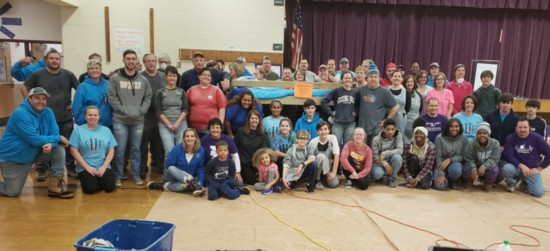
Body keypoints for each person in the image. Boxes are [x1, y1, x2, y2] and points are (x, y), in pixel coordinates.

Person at [0, 87, 73, 198]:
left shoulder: (48, 112)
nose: (41, 101)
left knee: (58, 149)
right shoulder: (20, 114)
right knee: (13, 192)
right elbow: (34, 139)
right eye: (37, 98)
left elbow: (53, 132)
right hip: (13, 158)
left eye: (43, 99)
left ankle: (56, 188)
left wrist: (51, 144)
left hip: (33, 152)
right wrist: (59, 138)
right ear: (29, 99)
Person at [23, 49, 80, 181]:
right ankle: (42, 170)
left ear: (60, 60)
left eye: (57, 58)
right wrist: (30, 103)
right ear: (45, 60)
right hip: (44, 119)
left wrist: (75, 106)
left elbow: (80, 90)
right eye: (51, 58)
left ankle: (70, 167)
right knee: (44, 143)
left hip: (65, 117)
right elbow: (24, 87)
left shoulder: (68, 74)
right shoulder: (37, 74)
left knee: (68, 143)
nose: (54, 61)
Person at [107, 49, 152, 187]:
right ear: (123, 60)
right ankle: (117, 176)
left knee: (136, 149)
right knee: (119, 149)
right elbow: (112, 97)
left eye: (133, 59)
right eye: (128, 58)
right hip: (120, 120)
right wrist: (124, 110)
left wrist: (141, 110)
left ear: (137, 61)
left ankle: (136, 175)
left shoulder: (143, 80)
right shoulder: (115, 78)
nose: (131, 61)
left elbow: (148, 97)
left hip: (138, 121)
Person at [69, 105, 117, 194]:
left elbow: (111, 150)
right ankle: (92, 180)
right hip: (85, 167)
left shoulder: (106, 130)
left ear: (99, 116)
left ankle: (98, 179)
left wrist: (103, 167)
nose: (93, 117)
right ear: (85, 116)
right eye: (90, 115)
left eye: (95, 115)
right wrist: (87, 168)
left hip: (102, 166)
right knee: (91, 190)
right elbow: (73, 150)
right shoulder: (78, 131)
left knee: (109, 188)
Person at [147, 128, 206, 197]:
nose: (190, 138)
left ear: (196, 138)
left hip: (186, 180)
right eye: (187, 136)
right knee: (171, 168)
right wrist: (183, 175)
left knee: (184, 187)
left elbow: (200, 169)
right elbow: (168, 165)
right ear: (183, 139)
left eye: (192, 136)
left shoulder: (200, 150)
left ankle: (162, 185)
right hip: (173, 176)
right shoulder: (177, 148)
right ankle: (193, 183)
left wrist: (200, 183)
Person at [502, 117, 550, 197]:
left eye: (525, 127)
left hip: (531, 169)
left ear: (529, 128)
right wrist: (522, 166)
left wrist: (539, 168)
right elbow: (509, 156)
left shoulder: (537, 138)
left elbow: (549, 153)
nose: (522, 129)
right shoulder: (510, 138)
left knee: (538, 193)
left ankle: (524, 183)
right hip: (516, 167)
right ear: (516, 128)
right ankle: (511, 184)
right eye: (520, 127)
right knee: (506, 168)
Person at [356, 64, 399, 146]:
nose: (373, 79)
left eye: (375, 77)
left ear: (379, 78)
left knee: (374, 153)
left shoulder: (385, 91)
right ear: (367, 78)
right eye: (371, 77)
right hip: (362, 129)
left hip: (376, 129)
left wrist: (387, 120)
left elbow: (396, 106)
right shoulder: (360, 90)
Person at [155, 66, 189, 162]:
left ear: (177, 77)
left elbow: (185, 109)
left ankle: (179, 175)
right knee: (169, 151)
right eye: (170, 75)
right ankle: (168, 175)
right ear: (166, 77)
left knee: (181, 150)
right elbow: (158, 110)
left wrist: (177, 123)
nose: (172, 78)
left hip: (181, 124)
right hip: (165, 125)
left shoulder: (181, 92)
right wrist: (169, 124)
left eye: (174, 76)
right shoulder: (160, 92)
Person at [140, 53, 166, 176]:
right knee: (144, 142)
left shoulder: (163, 76)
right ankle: (141, 167)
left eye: (153, 60)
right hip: (145, 114)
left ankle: (159, 165)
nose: (151, 63)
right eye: (148, 61)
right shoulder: (140, 77)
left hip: (160, 113)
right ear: (144, 63)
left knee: (159, 142)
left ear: (156, 62)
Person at [321, 71, 357, 147]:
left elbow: (360, 105)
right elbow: (324, 101)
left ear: (352, 79)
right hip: (337, 123)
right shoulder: (336, 91)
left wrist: (356, 112)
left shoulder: (355, 92)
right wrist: (330, 112)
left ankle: (344, 159)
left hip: (350, 123)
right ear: (342, 80)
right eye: (346, 78)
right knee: (335, 145)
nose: (348, 80)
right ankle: (335, 159)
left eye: (349, 78)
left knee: (348, 146)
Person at [187, 68, 227, 136]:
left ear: (211, 78)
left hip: (210, 129)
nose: (206, 76)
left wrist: (219, 125)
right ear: (199, 76)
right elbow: (185, 107)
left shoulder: (217, 91)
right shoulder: (191, 90)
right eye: (204, 74)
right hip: (193, 128)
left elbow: (222, 108)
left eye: (208, 75)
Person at [73, 60, 112, 128]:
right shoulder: (82, 87)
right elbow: (77, 107)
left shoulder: (109, 84)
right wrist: (84, 125)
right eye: (91, 68)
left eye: (97, 68)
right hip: (90, 126)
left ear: (101, 70)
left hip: (109, 125)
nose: (94, 70)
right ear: (88, 71)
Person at [201, 118, 242, 183]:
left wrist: (237, 172)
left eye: (217, 127)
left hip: (226, 170)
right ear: (209, 129)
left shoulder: (228, 139)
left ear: (221, 129)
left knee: (238, 182)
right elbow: (201, 157)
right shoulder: (204, 140)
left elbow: (235, 155)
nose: (215, 130)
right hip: (210, 171)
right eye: (212, 127)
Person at [234, 110, 270, 185]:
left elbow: (264, 149)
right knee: (252, 181)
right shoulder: (241, 131)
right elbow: (234, 147)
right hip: (244, 162)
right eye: (252, 118)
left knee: (264, 177)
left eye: (256, 118)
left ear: (259, 120)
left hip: (256, 162)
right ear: (249, 120)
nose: (254, 120)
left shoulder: (262, 133)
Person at [463, 122, 501, 191]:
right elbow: (468, 159)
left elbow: (494, 158)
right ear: (476, 135)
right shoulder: (471, 144)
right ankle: (469, 181)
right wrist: (473, 168)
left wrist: (484, 166)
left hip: (487, 166)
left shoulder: (495, 143)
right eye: (479, 133)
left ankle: (488, 183)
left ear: (488, 134)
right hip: (475, 165)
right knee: (466, 168)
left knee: (494, 169)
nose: (482, 135)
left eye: (485, 133)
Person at [433, 118, 468, 190]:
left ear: (460, 127)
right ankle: (443, 177)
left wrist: (450, 160)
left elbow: (464, 156)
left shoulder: (464, 139)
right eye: (451, 126)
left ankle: (453, 180)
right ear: (447, 127)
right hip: (440, 165)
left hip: (454, 163)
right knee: (440, 187)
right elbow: (438, 157)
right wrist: (441, 174)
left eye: (456, 126)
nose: (454, 129)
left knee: (456, 170)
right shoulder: (439, 138)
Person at [371, 119, 403, 188]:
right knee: (378, 174)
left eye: (392, 129)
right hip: (380, 162)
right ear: (383, 129)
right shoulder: (376, 139)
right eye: (388, 129)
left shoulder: (398, 135)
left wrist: (385, 153)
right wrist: (386, 165)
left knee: (398, 158)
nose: (390, 132)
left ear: (395, 129)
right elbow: (375, 157)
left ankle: (392, 179)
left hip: (392, 160)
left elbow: (400, 150)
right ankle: (382, 176)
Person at [308, 121, 340, 190]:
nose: (323, 132)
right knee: (321, 156)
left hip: (327, 166)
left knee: (334, 184)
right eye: (321, 130)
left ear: (329, 130)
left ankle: (324, 177)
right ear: (317, 131)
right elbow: (309, 158)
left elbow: (336, 155)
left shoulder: (333, 138)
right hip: (316, 166)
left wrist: (333, 173)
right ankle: (317, 180)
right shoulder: (313, 142)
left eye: (325, 129)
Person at [388, 70, 408, 138]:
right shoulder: (386, 90)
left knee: (399, 138)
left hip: (401, 120)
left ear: (402, 79)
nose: (397, 78)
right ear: (391, 78)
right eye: (395, 76)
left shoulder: (406, 91)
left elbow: (408, 107)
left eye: (399, 76)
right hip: (389, 118)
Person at [404, 74, 423, 140]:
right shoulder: (402, 94)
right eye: (408, 82)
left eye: (411, 81)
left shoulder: (419, 95)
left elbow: (420, 109)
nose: (410, 83)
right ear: (405, 83)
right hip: (404, 123)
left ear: (414, 83)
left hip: (415, 123)